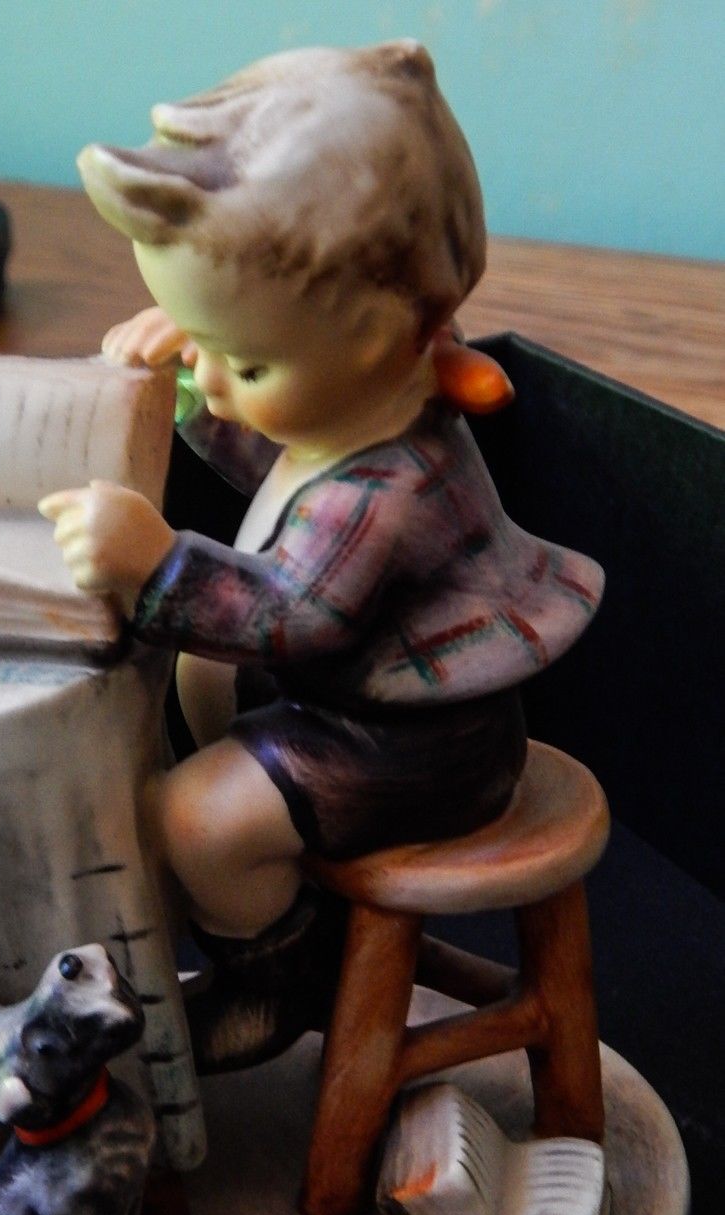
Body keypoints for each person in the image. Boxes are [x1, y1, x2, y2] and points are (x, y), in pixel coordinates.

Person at [39, 42, 604, 1072]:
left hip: (414, 750)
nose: (216, 377)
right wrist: (192, 376)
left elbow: (297, 612)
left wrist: (156, 565)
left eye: (245, 359)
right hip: (344, 712)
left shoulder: (390, 486)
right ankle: (273, 885)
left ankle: (277, 972)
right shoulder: (352, 405)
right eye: (204, 339)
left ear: (384, 338)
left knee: (189, 817)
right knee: (191, 700)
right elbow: (275, 458)